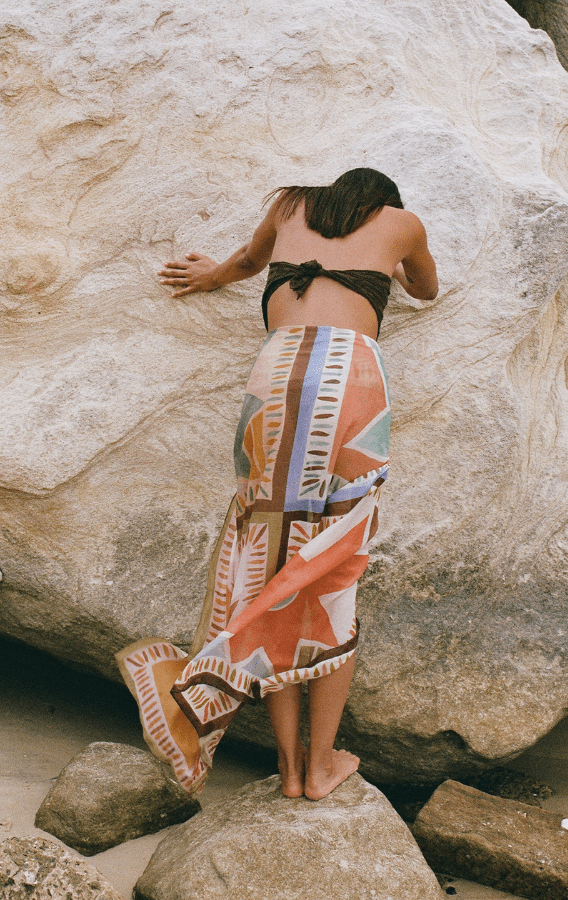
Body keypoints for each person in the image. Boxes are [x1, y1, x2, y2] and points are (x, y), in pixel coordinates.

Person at [117, 168, 438, 801]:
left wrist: (209, 276)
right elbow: (426, 289)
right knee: (332, 568)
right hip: (349, 385)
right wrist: (392, 270)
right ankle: (319, 767)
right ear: (383, 203)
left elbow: (244, 262)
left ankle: (289, 769)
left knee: (269, 564)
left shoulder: (290, 205)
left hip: (274, 377)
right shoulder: (402, 223)